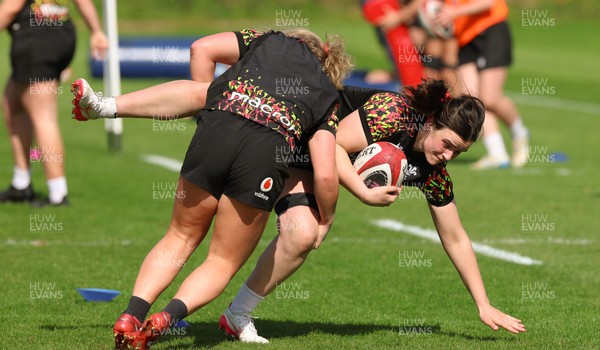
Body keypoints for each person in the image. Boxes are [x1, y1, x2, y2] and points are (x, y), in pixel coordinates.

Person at [73, 77, 526, 343]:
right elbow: (331, 147)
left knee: (301, 235)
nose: (448, 156)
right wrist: (338, 208)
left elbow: (455, 236)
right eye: (447, 144)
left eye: (459, 153)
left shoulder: (433, 168)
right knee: (247, 226)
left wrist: (483, 304)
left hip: (312, 159)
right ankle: (112, 108)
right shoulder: (393, 112)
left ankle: (236, 317)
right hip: (296, 136)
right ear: (431, 122)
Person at [73, 28, 353, 350]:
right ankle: (167, 318)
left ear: (297, 40)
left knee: (179, 235)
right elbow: (327, 176)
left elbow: (200, 48)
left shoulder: (268, 38)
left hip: (217, 128)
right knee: (221, 260)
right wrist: (326, 219)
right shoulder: (327, 94)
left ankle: (131, 314)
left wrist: (206, 114)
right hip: (264, 153)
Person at [0, 0, 108, 206]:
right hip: (60, 34)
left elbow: (11, 7)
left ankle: (58, 192)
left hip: (37, 41)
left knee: (43, 117)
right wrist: (96, 31)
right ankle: (21, 184)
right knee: (12, 101)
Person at [435, 0, 530, 169]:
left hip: (491, 29)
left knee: (490, 97)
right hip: (465, 39)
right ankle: (497, 153)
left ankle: (519, 133)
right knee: (472, 99)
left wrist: (453, 13)